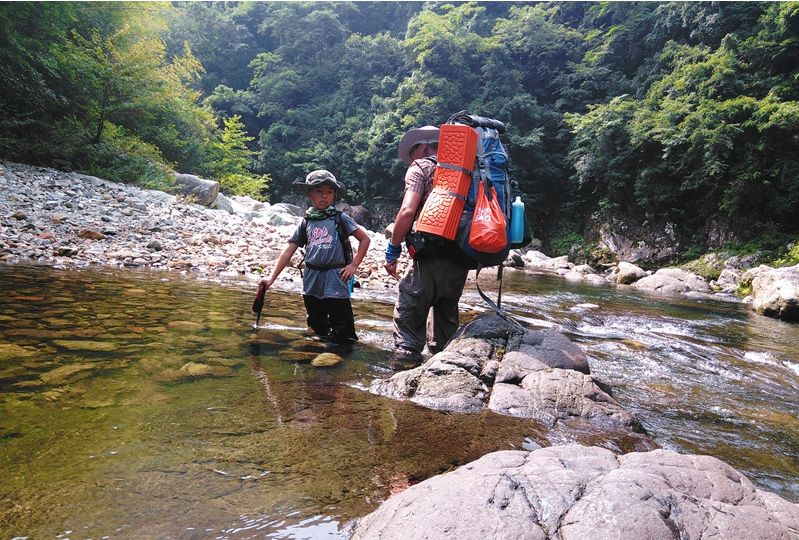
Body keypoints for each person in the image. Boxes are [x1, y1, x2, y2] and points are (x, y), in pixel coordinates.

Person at [383, 125, 469, 360]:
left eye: (412, 154)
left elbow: (407, 210)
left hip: (431, 255)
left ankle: (402, 380)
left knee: (408, 319)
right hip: (461, 259)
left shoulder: (420, 167)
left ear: (421, 147)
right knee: (445, 329)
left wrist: (393, 250)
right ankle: (443, 375)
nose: (411, 160)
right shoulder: (465, 172)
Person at [261, 170, 371, 345]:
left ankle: (341, 364)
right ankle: (316, 356)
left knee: (343, 330)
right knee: (316, 325)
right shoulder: (306, 222)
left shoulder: (340, 218)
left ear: (334, 195)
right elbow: (288, 251)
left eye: (329, 192)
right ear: (309, 194)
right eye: (319, 191)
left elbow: (364, 239)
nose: (325, 196)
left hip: (336, 277)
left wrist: (354, 265)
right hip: (312, 280)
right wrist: (271, 278)